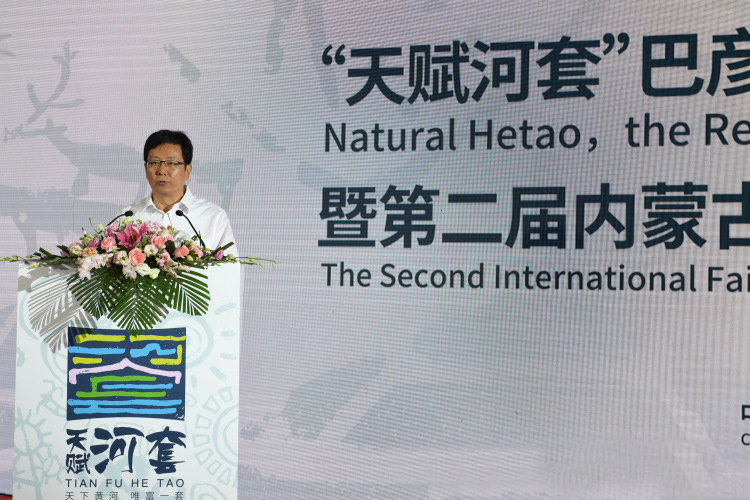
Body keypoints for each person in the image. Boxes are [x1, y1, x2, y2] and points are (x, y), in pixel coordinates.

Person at [120, 130, 235, 250]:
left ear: (187, 171)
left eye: (171, 163)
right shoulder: (126, 217)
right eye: (154, 163)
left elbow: (229, 262)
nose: (162, 170)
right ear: (146, 169)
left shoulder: (214, 217)